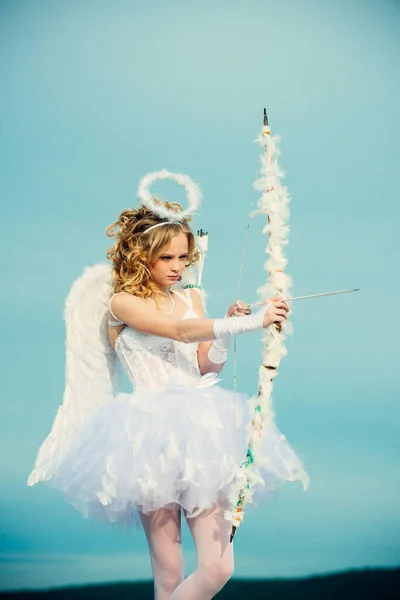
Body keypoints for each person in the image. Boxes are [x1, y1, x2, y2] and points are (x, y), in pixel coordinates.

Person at [28, 196, 308, 600]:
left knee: (218, 565)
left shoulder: (189, 297)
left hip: (201, 431)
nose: (179, 266)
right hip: (147, 434)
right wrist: (248, 321)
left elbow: (203, 364)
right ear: (142, 256)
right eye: (167, 258)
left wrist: (224, 331)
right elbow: (177, 332)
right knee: (169, 569)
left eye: (184, 256)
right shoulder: (122, 303)